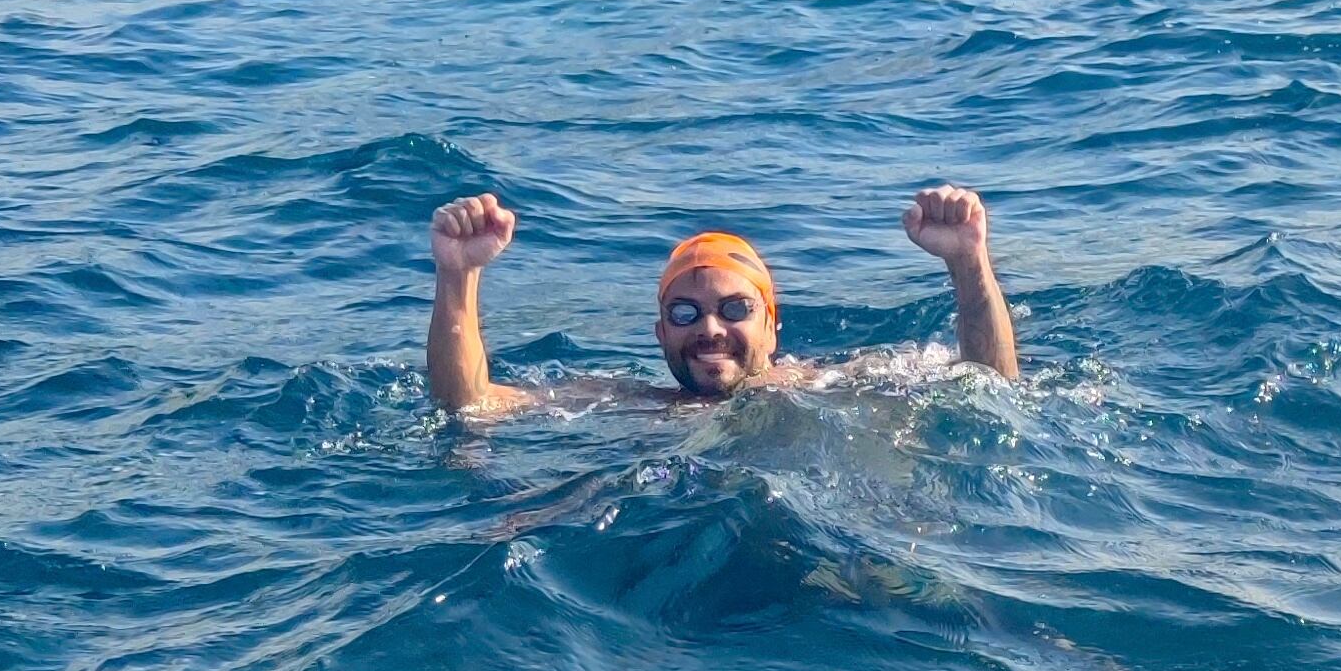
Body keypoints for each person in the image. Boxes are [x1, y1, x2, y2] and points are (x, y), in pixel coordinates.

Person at [424, 184, 1018, 415]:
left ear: (772, 326)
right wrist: (458, 277)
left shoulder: (838, 385)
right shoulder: (624, 403)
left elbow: (989, 382)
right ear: (659, 334)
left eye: (735, 309)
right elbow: (468, 406)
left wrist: (968, 263)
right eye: (685, 313)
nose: (709, 328)